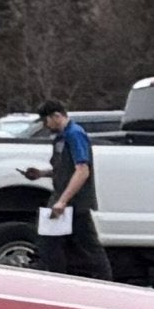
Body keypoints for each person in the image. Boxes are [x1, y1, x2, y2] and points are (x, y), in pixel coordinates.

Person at [35, 106, 103, 277]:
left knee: (88, 250)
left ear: (56, 116)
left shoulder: (74, 134)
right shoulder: (60, 138)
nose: (45, 125)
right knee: (52, 244)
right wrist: (41, 174)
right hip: (63, 201)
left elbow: (82, 170)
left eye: (46, 120)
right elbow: (66, 170)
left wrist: (63, 201)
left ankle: (104, 281)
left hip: (74, 203)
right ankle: (59, 279)